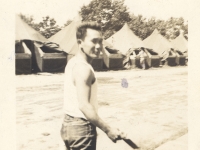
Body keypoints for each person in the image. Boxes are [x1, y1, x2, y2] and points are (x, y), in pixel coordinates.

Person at [60, 22, 126, 150]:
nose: (98, 46)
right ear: (80, 43)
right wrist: (108, 129)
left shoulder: (73, 62)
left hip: (67, 125)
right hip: (81, 129)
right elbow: (84, 105)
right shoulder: (83, 68)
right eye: (93, 41)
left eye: (100, 42)